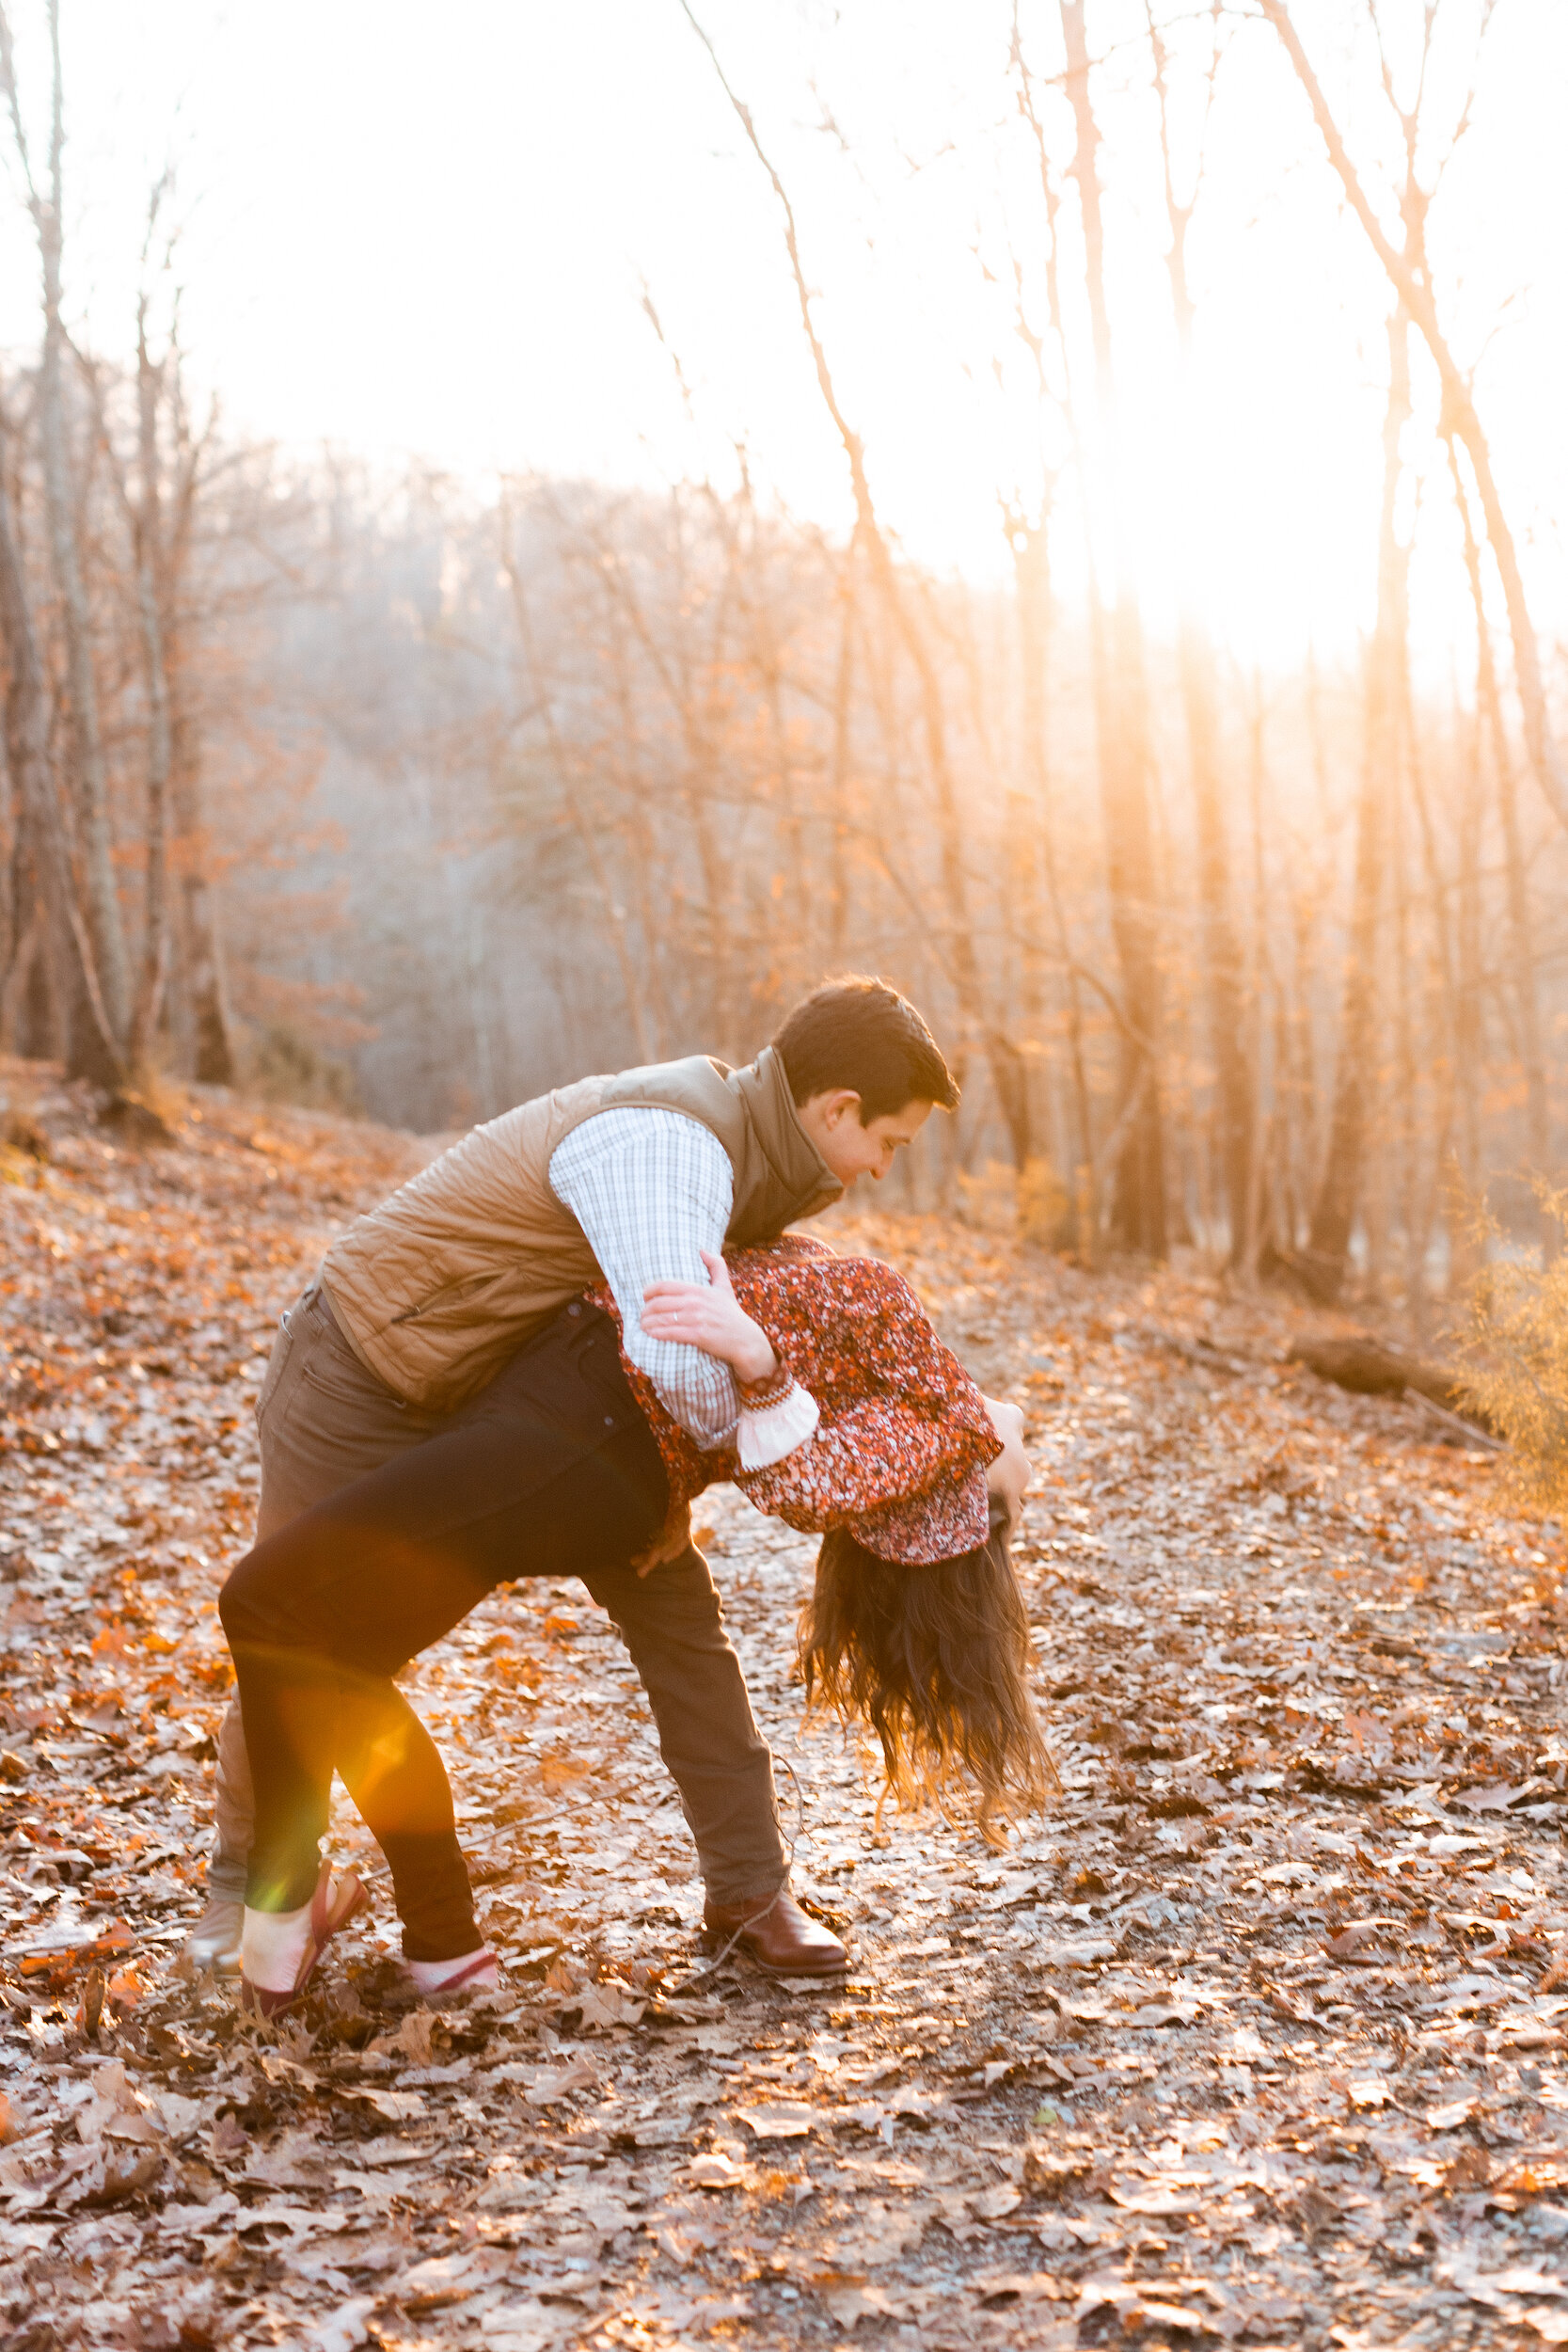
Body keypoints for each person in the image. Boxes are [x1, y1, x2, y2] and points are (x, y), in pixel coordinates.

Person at [185, 978, 961, 1979]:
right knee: (296, 1625)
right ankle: (244, 1884)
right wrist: (746, 1428)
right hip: (359, 1366)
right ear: (836, 1108)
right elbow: (680, 1354)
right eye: (888, 1145)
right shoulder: (668, 1142)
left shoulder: (769, 1160)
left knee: (681, 1624)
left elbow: (687, 1350)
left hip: (511, 1398)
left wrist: (682, 1481)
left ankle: (748, 1891)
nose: (882, 1171)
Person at [217, 1235, 1036, 2014]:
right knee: (336, 1661)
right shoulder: (911, 1370)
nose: (1021, 1450)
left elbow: (805, 1485)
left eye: (1005, 1506)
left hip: (574, 1436)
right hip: (581, 1427)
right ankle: (443, 1945)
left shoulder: (941, 1432)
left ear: (962, 1500)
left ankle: (282, 1904)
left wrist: (761, 1363)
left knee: (260, 1604)